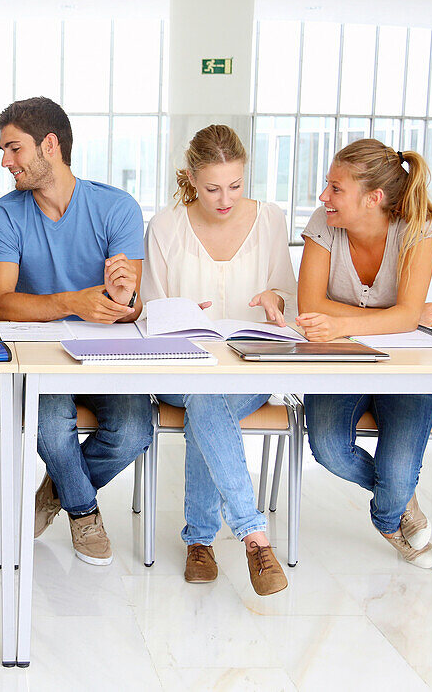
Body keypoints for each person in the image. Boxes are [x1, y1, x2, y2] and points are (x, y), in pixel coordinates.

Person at [0, 96, 153, 567]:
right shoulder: (4, 214)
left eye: (14, 149)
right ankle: (83, 511)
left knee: (134, 429)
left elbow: (130, 306)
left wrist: (123, 300)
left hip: (106, 350)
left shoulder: (117, 208)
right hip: (38, 354)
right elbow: (1, 302)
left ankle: (57, 489)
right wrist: (70, 304)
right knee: (51, 430)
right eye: (4, 151)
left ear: (50, 145)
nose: (5, 162)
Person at [142, 124, 292, 595]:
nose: (225, 199)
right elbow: (150, 312)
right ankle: (254, 538)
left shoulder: (270, 219)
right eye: (211, 188)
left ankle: (201, 541)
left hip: (248, 368)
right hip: (178, 368)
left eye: (235, 186)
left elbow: (287, 292)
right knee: (205, 398)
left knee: (208, 405)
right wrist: (180, 315)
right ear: (190, 178)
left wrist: (274, 299)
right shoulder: (165, 226)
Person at [297, 138, 432, 568]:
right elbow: (309, 305)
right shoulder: (325, 223)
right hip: (340, 362)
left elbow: (403, 321)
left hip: (409, 367)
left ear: (373, 198)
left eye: (335, 188)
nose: (324, 197)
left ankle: (388, 517)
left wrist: (361, 320)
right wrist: (402, 312)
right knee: (327, 446)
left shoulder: (419, 229)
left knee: (399, 467)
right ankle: (401, 502)